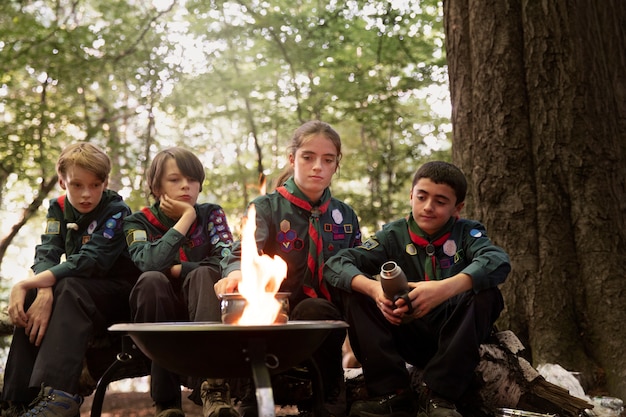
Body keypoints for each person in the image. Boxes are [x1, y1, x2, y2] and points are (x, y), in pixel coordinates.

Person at [324, 161, 511, 417]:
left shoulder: (468, 233)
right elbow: (336, 264)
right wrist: (375, 290)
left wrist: (443, 289)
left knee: (488, 294)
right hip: (405, 333)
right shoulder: (391, 236)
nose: (428, 207)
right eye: (421, 197)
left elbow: (498, 262)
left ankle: (440, 397)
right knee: (352, 287)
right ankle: (391, 394)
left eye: (440, 201)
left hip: (455, 337)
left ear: (458, 208)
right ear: (411, 195)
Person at [216, 120, 362, 417]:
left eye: (328, 159)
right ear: (292, 159)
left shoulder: (344, 215)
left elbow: (357, 262)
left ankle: (328, 391)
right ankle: (252, 394)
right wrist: (235, 274)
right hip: (273, 310)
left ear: (336, 165)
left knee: (316, 310)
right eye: (308, 157)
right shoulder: (267, 207)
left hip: (324, 313)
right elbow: (243, 252)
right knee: (247, 309)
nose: (317, 166)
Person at [2, 142, 140, 417]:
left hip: (120, 298)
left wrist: (27, 282)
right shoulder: (59, 208)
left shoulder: (116, 210)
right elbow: (48, 250)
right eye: (77, 185)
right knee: (37, 295)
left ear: (105, 182)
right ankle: (16, 401)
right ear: (63, 182)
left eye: (95, 185)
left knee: (68, 286)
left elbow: (91, 259)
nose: (86, 194)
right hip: (77, 295)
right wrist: (41, 292)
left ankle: (59, 396)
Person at [123, 147, 236, 417]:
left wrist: (178, 269)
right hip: (155, 313)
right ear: (156, 185)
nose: (186, 185)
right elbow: (148, 264)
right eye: (175, 180)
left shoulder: (212, 215)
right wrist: (186, 219)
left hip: (204, 307)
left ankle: (214, 389)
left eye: (192, 179)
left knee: (204, 274)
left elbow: (224, 259)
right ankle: (167, 403)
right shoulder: (136, 222)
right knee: (151, 280)